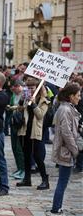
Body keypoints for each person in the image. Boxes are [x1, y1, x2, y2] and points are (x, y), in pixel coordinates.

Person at [50, 83, 81, 214]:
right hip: (66, 150)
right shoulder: (65, 109)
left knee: (63, 180)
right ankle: (56, 208)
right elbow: (66, 133)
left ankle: (57, 207)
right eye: (78, 95)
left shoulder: (68, 108)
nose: (80, 98)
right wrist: (75, 150)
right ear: (71, 96)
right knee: (62, 181)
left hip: (67, 149)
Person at [16, 77, 50, 190]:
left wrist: (34, 104)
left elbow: (40, 115)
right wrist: (22, 101)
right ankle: (27, 179)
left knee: (38, 156)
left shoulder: (43, 100)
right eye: (28, 87)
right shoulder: (26, 97)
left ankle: (45, 180)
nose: (30, 90)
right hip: (25, 129)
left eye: (32, 87)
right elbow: (20, 110)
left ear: (37, 88)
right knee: (26, 155)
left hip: (36, 131)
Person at [7, 80, 25, 180]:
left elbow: (24, 107)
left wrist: (15, 107)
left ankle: (23, 169)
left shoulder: (24, 95)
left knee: (19, 148)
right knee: (14, 147)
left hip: (21, 124)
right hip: (14, 123)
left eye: (15, 87)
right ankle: (19, 168)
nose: (13, 90)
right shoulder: (13, 95)